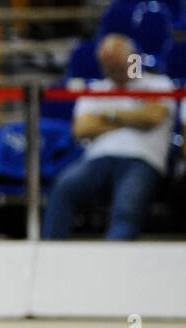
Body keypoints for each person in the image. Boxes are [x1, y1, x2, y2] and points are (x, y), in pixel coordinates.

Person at [42, 33, 175, 240]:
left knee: (126, 207)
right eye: (110, 68)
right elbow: (81, 129)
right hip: (97, 159)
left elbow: (154, 116)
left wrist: (107, 116)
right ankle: (50, 256)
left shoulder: (159, 84)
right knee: (64, 187)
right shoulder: (97, 89)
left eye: (119, 66)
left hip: (142, 159)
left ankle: (115, 265)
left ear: (133, 58)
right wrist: (134, 118)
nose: (116, 73)